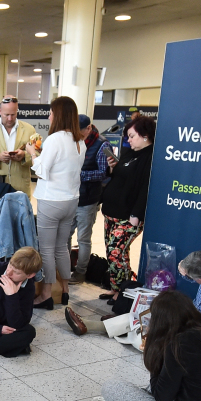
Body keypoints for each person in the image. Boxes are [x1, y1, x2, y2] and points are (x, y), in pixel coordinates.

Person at [26, 96, 85, 309]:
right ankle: (66, 291)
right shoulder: (79, 141)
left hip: (51, 201)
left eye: (51, 112)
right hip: (71, 201)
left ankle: (46, 295)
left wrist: (33, 153)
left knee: (47, 249)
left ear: (58, 114)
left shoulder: (54, 139)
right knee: (62, 247)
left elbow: (42, 171)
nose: (49, 116)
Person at [99, 116, 155, 300]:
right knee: (112, 252)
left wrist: (136, 214)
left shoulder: (150, 158)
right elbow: (120, 178)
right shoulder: (129, 152)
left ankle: (123, 291)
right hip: (111, 212)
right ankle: (117, 288)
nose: (128, 140)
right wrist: (113, 167)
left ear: (145, 135)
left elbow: (145, 188)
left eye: (132, 136)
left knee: (117, 251)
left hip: (128, 215)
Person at [70, 115, 108, 283]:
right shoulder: (73, 141)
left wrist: (80, 175)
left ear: (89, 128)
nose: (77, 136)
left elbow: (103, 172)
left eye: (80, 132)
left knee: (83, 239)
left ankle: (80, 272)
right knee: (64, 235)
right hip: (70, 197)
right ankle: (64, 270)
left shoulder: (102, 144)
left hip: (88, 199)